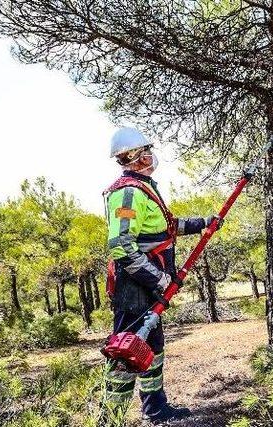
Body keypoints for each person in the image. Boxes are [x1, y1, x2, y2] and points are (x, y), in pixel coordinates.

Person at [100, 127, 221, 425]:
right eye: (146, 150)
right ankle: (111, 418)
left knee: (152, 347)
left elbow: (165, 226)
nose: (151, 154)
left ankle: (155, 408)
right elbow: (122, 247)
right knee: (126, 349)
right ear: (135, 157)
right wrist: (159, 280)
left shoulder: (145, 187)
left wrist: (204, 223)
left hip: (149, 287)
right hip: (134, 289)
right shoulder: (127, 193)